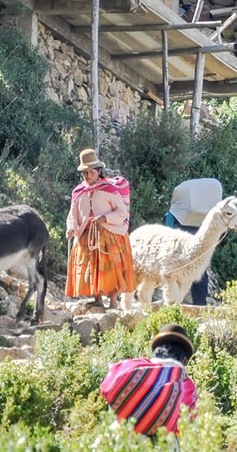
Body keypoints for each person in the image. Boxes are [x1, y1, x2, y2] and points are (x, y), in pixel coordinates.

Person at [66, 148, 135, 308]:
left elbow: (122, 211)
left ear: (99, 171)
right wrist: (71, 228)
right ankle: (97, 299)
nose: (88, 175)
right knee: (91, 267)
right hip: (86, 236)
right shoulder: (78, 192)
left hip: (109, 233)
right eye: (85, 173)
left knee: (111, 268)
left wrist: (105, 218)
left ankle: (112, 302)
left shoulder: (109, 190)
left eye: (91, 172)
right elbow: (72, 214)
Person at [100, 323, 198, 435]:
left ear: (156, 351)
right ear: (184, 359)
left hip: (120, 437)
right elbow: (191, 423)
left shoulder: (133, 367)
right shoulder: (186, 386)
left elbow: (107, 385)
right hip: (162, 446)